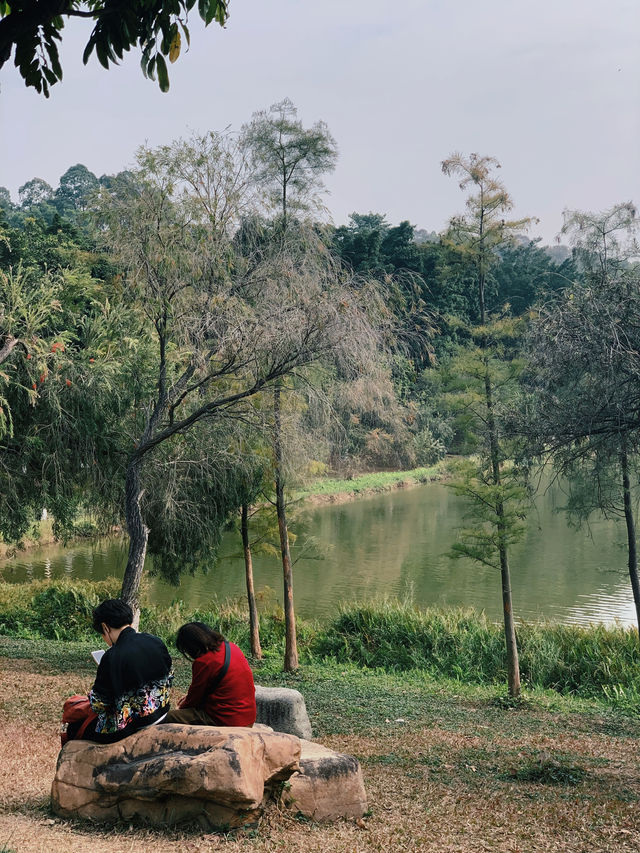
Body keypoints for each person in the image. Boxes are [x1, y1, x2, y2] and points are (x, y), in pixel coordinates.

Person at [85, 598, 174, 743]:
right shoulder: (155, 641)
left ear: (105, 627)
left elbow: (99, 704)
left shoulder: (111, 657)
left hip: (133, 727)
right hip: (161, 714)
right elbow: (169, 677)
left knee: (77, 729)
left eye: (102, 633)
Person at [162, 622, 256, 727]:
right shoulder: (231, 647)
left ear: (191, 647)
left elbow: (194, 699)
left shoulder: (204, 662)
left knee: (167, 717)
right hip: (248, 717)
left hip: (228, 720)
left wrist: (181, 706)